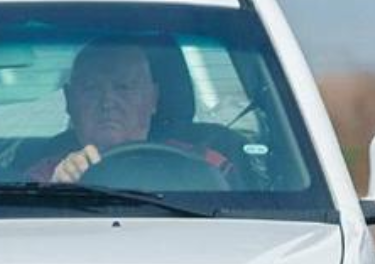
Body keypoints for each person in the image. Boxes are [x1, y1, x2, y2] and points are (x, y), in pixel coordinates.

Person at [26, 36, 232, 183]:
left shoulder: (202, 162)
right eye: (91, 88)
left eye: (123, 87)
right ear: (70, 102)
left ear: (153, 98)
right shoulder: (45, 174)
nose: (107, 102)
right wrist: (56, 191)